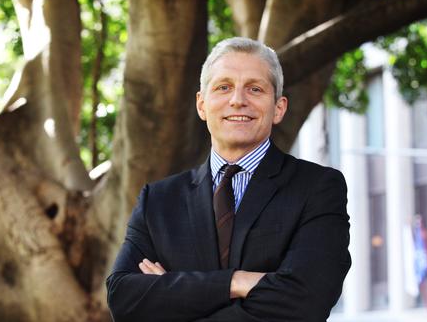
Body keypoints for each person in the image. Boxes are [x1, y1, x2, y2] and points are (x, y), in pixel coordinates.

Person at [106, 37, 351, 321]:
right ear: (202, 104)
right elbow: (124, 297)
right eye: (224, 87)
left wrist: (173, 294)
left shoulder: (318, 188)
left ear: (279, 108)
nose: (238, 100)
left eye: (255, 89)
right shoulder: (158, 201)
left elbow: (306, 300)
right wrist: (237, 282)